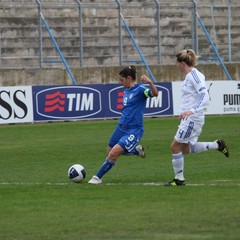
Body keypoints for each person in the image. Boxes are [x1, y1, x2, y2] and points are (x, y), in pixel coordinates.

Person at [164, 49, 230, 187]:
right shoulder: (190, 76)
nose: (177, 66)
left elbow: (205, 96)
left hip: (193, 119)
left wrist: (190, 111)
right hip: (190, 118)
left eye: (177, 63)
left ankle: (179, 179)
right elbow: (191, 97)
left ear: (182, 63)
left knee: (175, 147)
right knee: (185, 149)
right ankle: (217, 145)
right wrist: (185, 112)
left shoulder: (194, 76)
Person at [88, 66, 159, 184]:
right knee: (110, 150)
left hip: (134, 129)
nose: (120, 83)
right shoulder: (126, 90)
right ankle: (136, 151)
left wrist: (150, 82)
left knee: (113, 153)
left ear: (129, 78)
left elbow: (155, 93)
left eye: (122, 80)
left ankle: (97, 178)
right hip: (121, 127)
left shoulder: (141, 90)